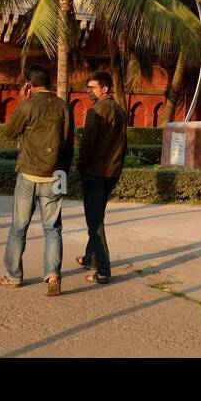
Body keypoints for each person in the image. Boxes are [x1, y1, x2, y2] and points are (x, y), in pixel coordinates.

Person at [0, 63, 75, 296]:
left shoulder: (28, 106)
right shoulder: (63, 107)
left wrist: (23, 101)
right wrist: (63, 172)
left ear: (29, 85)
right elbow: (69, 143)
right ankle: (53, 276)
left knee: (18, 227)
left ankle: (13, 276)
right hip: (55, 175)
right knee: (52, 228)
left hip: (28, 176)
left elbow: (10, 132)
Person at [74, 71, 127, 284]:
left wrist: (80, 165)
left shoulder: (96, 111)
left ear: (104, 89)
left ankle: (103, 269)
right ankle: (90, 258)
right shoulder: (120, 111)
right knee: (97, 216)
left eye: (92, 87)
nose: (88, 91)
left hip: (96, 172)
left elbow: (87, 145)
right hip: (111, 172)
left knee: (94, 221)